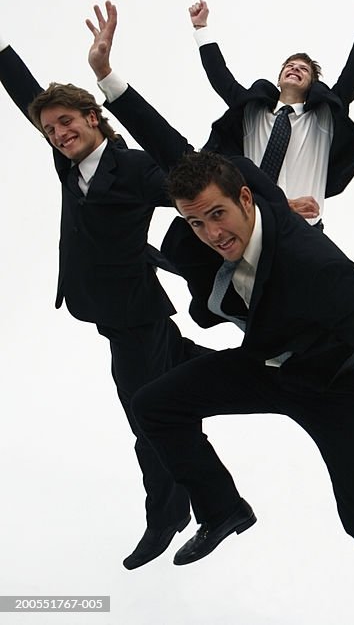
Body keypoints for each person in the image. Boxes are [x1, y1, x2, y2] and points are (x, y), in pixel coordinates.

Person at [87, 2, 354, 625]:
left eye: (218, 216)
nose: (210, 233)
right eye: (193, 223)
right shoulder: (224, 193)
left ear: (245, 198)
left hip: (328, 385)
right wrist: (108, 77)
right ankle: (222, 508)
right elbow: (171, 145)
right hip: (260, 363)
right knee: (154, 405)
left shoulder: (316, 266)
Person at [0, 35, 206, 570]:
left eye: (67, 122)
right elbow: (25, 94)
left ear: (94, 117)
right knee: (181, 383)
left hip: (136, 318)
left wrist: (269, 202)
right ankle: (268, 363)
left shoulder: (133, 167)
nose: (59, 134)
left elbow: (192, 190)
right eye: (50, 129)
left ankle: (169, 515)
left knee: (148, 417)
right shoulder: (68, 163)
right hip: (116, 316)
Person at [187, 0, 354, 227]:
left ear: (311, 84)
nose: (295, 69)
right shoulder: (252, 113)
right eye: (289, 66)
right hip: (253, 225)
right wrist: (201, 29)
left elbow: (353, 74)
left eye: (303, 70)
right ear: (279, 79)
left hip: (305, 229)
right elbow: (221, 77)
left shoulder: (322, 119)